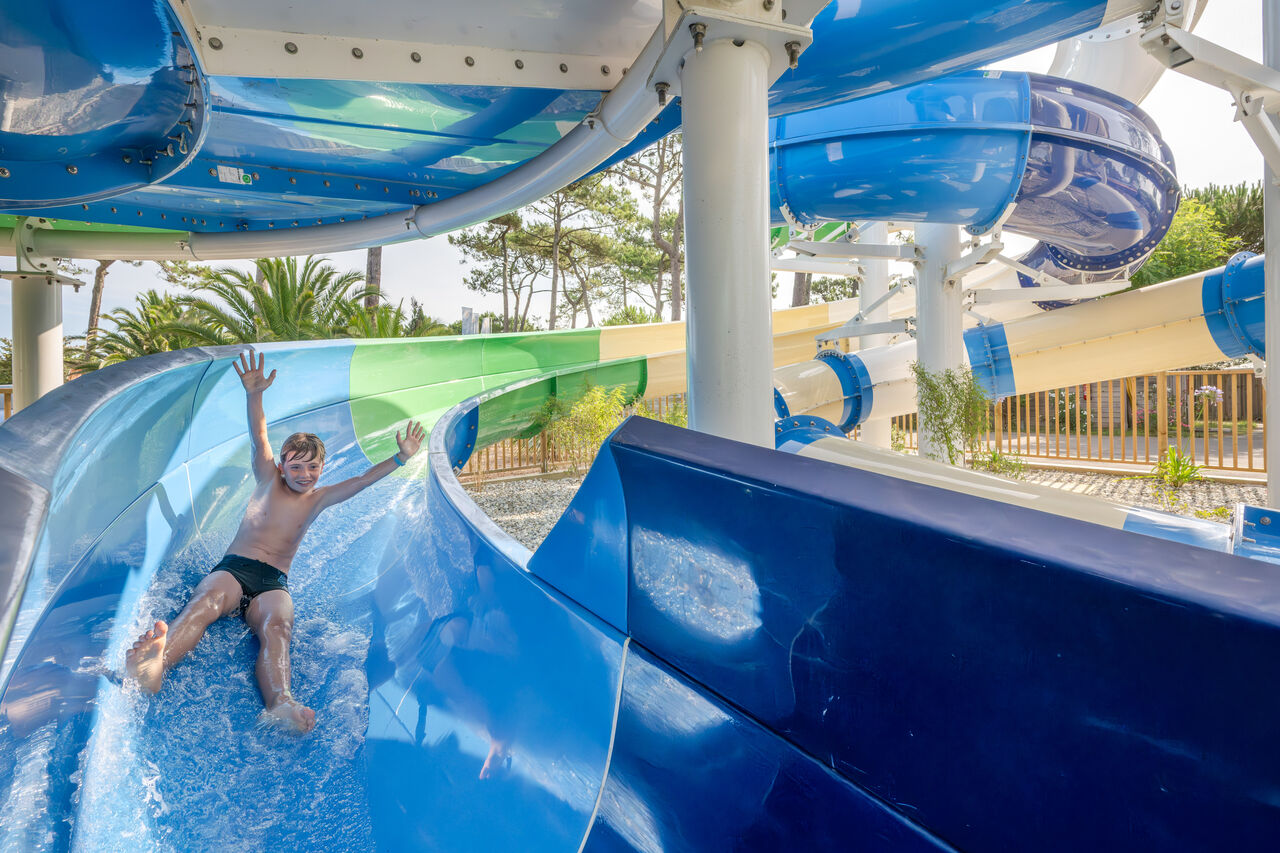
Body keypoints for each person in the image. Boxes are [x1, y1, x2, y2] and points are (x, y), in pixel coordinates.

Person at [126, 348, 425, 733]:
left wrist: (401, 458)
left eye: (312, 466)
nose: (304, 473)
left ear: (322, 467)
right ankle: (156, 664)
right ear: (282, 466)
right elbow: (259, 435)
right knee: (207, 603)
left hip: (273, 583)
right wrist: (255, 394)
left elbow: (363, 479)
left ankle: (281, 703)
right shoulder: (267, 478)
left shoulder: (319, 498)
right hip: (234, 569)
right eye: (296, 466)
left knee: (279, 629)